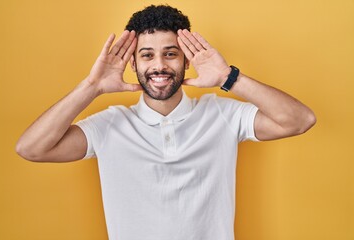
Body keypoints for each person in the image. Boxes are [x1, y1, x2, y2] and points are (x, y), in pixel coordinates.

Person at [16, 5, 316, 240]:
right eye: (147, 55)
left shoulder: (222, 114)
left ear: (186, 60)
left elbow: (300, 120)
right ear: (133, 63)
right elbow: (31, 148)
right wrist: (92, 86)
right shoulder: (109, 125)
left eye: (170, 54)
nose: (159, 65)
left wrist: (228, 78)